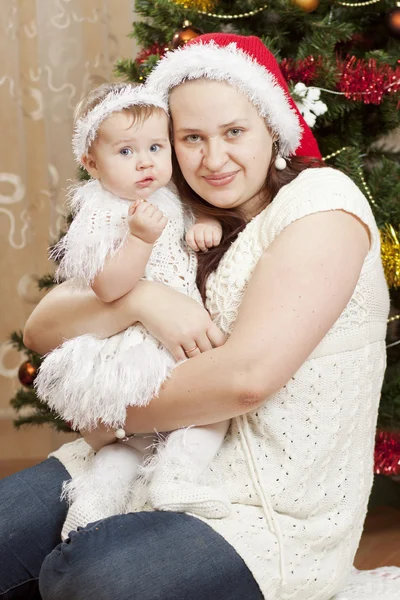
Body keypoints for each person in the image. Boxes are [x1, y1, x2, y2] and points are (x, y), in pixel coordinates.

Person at [0, 33, 394, 600]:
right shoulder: (164, 212)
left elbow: (245, 380)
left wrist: (107, 412)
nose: (213, 159)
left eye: (234, 132)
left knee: (91, 578)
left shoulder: (322, 205)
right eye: (191, 138)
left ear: (273, 128)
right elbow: (42, 327)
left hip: (265, 514)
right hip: (128, 464)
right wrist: (141, 300)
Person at [34, 81, 229, 541]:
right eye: (125, 151)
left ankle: (108, 499)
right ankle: (162, 480)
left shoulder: (167, 197)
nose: (145, 162)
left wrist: (202, 224)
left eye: (155, 147)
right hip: (132, 344)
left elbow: (182, 231)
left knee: (139, 442)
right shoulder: (101, 212)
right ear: (91, 162)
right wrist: (139, 239)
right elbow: (108, 287)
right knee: (206, 411)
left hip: (167, 335)